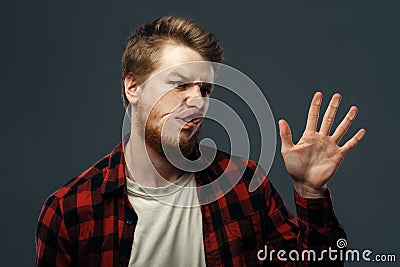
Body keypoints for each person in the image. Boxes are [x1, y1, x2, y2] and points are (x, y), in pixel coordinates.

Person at [35, 16, 366, 267]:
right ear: (133, 87)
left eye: (204, 90)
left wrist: (310, 193)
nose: (197, 101)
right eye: (180, 85)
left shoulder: (243, 185)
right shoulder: (71, 211)